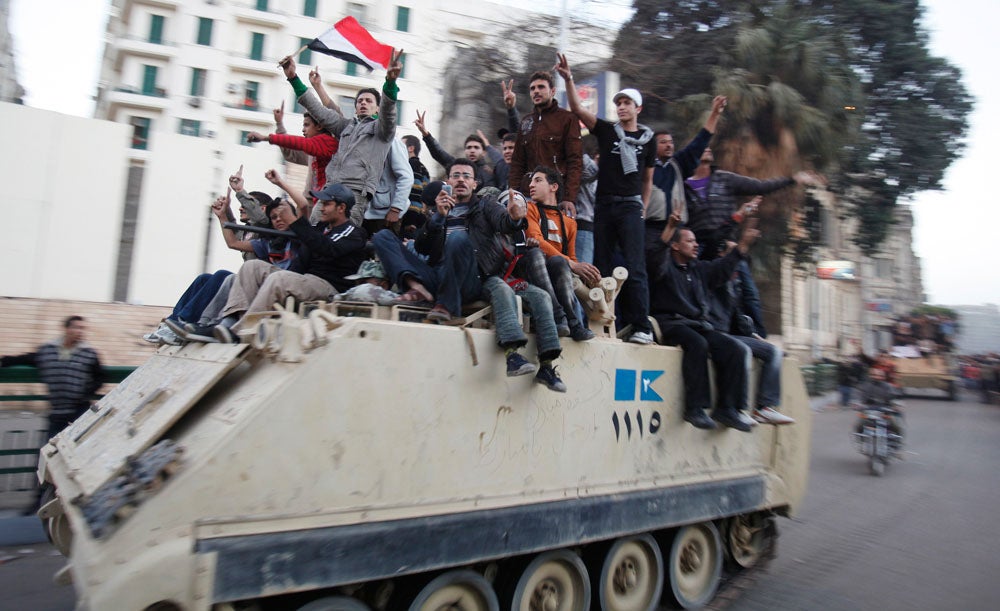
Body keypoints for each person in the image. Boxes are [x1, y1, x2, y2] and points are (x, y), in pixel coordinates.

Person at [556, 53, 713, 345]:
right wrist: (568, 79)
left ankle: (642, 326)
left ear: (638, 108)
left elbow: (648, 179)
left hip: (630, 206)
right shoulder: (606, 130)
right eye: (618, 103)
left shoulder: (649, 139)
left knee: (634, 265)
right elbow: (577, 108)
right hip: (604, 205)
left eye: (627, 102)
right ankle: (597, 320)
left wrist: (639, 207)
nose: (621, 107)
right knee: (600, 265)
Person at [212, 177, 367, 342]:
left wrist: (293, 221)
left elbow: (328, 248)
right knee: (252, 267)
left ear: (341, 208)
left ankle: (244, 331)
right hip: (305, 280)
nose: (321, 208)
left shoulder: (353, 232)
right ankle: (233, 323)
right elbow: (304, 255)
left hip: (329, 287)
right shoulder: (320, 228)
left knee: (279, 278)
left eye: (327, 204)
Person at [647, 220, 761, 432]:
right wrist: (670, 229)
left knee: (734, 349)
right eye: (690, 241)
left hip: (697, 324)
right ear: (675, 246)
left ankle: (727, 409)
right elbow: (655, 257)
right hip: (669, 323)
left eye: (696, 241)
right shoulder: (663, 267)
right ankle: (695, 408)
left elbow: (722, 268)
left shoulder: (698, 269)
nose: (696, 244)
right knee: (697, 344)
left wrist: (742, 246)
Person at [280, 50, 404, 226]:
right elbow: (318, 111)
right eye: (360, 101)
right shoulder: (346, 126)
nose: (363, 103)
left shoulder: (382, 130)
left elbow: (389, 113)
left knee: (343, 239)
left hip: (355, 193)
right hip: (330, 189)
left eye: (369, 101)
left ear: (377, 109)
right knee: (313, 235)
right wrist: (293, 77)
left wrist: (390, 82)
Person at [705, 238, 794, 425]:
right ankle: (739, 408)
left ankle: (765, 408)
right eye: (734, 254)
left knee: (773, 352)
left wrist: (754, 335)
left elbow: (737, 316)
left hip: (730, 334)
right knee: (740, 351)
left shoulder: (733, 285)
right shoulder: (707, 275)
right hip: (710, 333)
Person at [685, 147, 823, 253]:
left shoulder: (724, 179)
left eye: (708, 146)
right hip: (698, 247)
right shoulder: (683, 186)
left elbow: (761, 186)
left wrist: (792, 180)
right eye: (703, 146)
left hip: (725, 245)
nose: (707, 148)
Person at [524, 166, 599, 341]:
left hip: (558, 269)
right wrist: (573, 264)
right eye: (531, 181)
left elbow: (570, 257)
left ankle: (571, 323)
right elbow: (537, 239)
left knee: (559, 262)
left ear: (554, 187)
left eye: (538, 180)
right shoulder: (530, 208)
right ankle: (563, 317)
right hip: (535, 270)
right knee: (550, 258)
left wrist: (582, 271)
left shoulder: (570, 223)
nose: (531, 185)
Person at [1, 316, 104, 440]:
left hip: (80, 411)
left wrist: (85, 393)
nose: (80, 331)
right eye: (77, 327)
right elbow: (25, 358)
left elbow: (100, 377)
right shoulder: (47, 351)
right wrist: (4, 361)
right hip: (57, 411)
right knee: (49, 449)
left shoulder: (89, 353)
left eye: (83, 328)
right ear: (66, 329)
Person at [506, 70, 583, 215]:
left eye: (541, 87)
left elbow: (575, 162)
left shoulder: (567, 119)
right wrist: (514, 195)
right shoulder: (526, 122)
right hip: (528, 196)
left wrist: (569, 198)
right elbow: (517, 163)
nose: (536, 91)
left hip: (555, 197)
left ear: (553, 91)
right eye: (532, 88)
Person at [413, 112, 499, 189]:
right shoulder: (456, 166)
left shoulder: (488, 174)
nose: (472, 150)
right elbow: (439, 153)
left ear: (484, 152)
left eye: (476, 147)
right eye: (469, 147)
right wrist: (425, 134)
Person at [363, 137, 413, 236]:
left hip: (386, 214)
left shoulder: (393, 142)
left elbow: (406, 177)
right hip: (366, 211)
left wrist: (395, 209)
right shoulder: (364, 138)